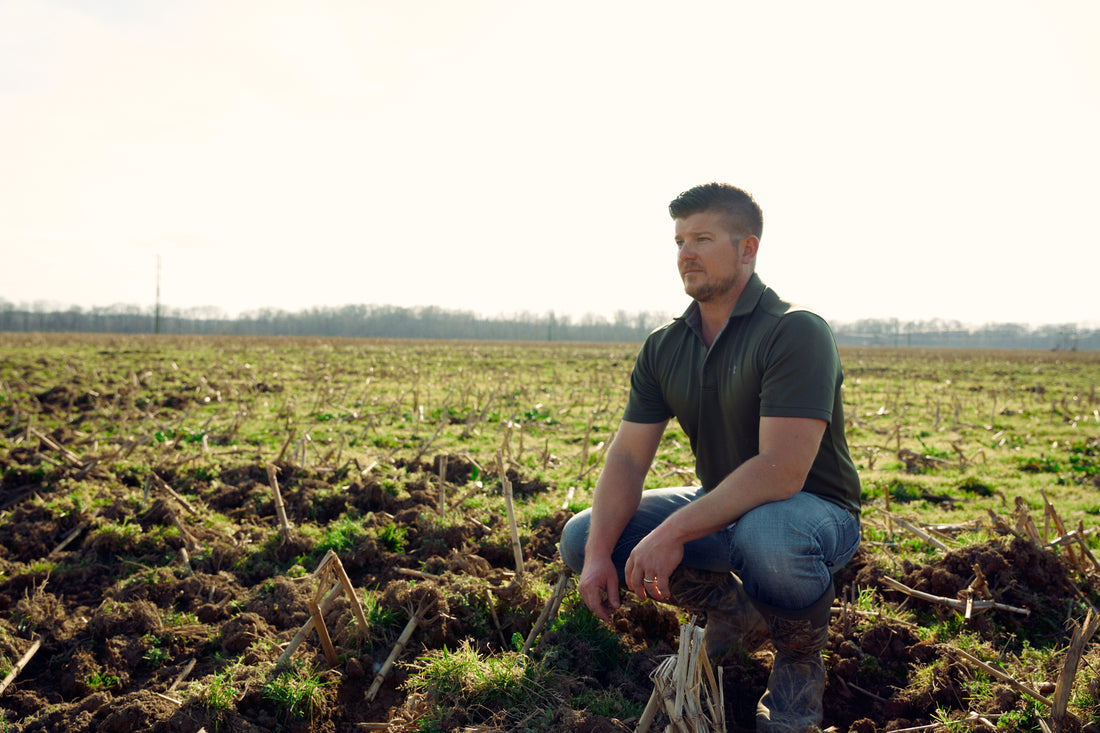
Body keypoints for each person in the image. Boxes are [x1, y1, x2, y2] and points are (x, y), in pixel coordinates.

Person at [559, 182, 861, 732]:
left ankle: (797, 662)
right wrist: (601, 554)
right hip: (725, 509)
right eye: (678, 241)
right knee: (583, 536)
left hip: (812, 513)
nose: (685, 255)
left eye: (702, 238)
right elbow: (628, 458)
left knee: (768, 533)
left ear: (748, 250)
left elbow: (781, 471)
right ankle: (734, 613)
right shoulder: (665, 345)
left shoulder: (795, 331)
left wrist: (674, 532)